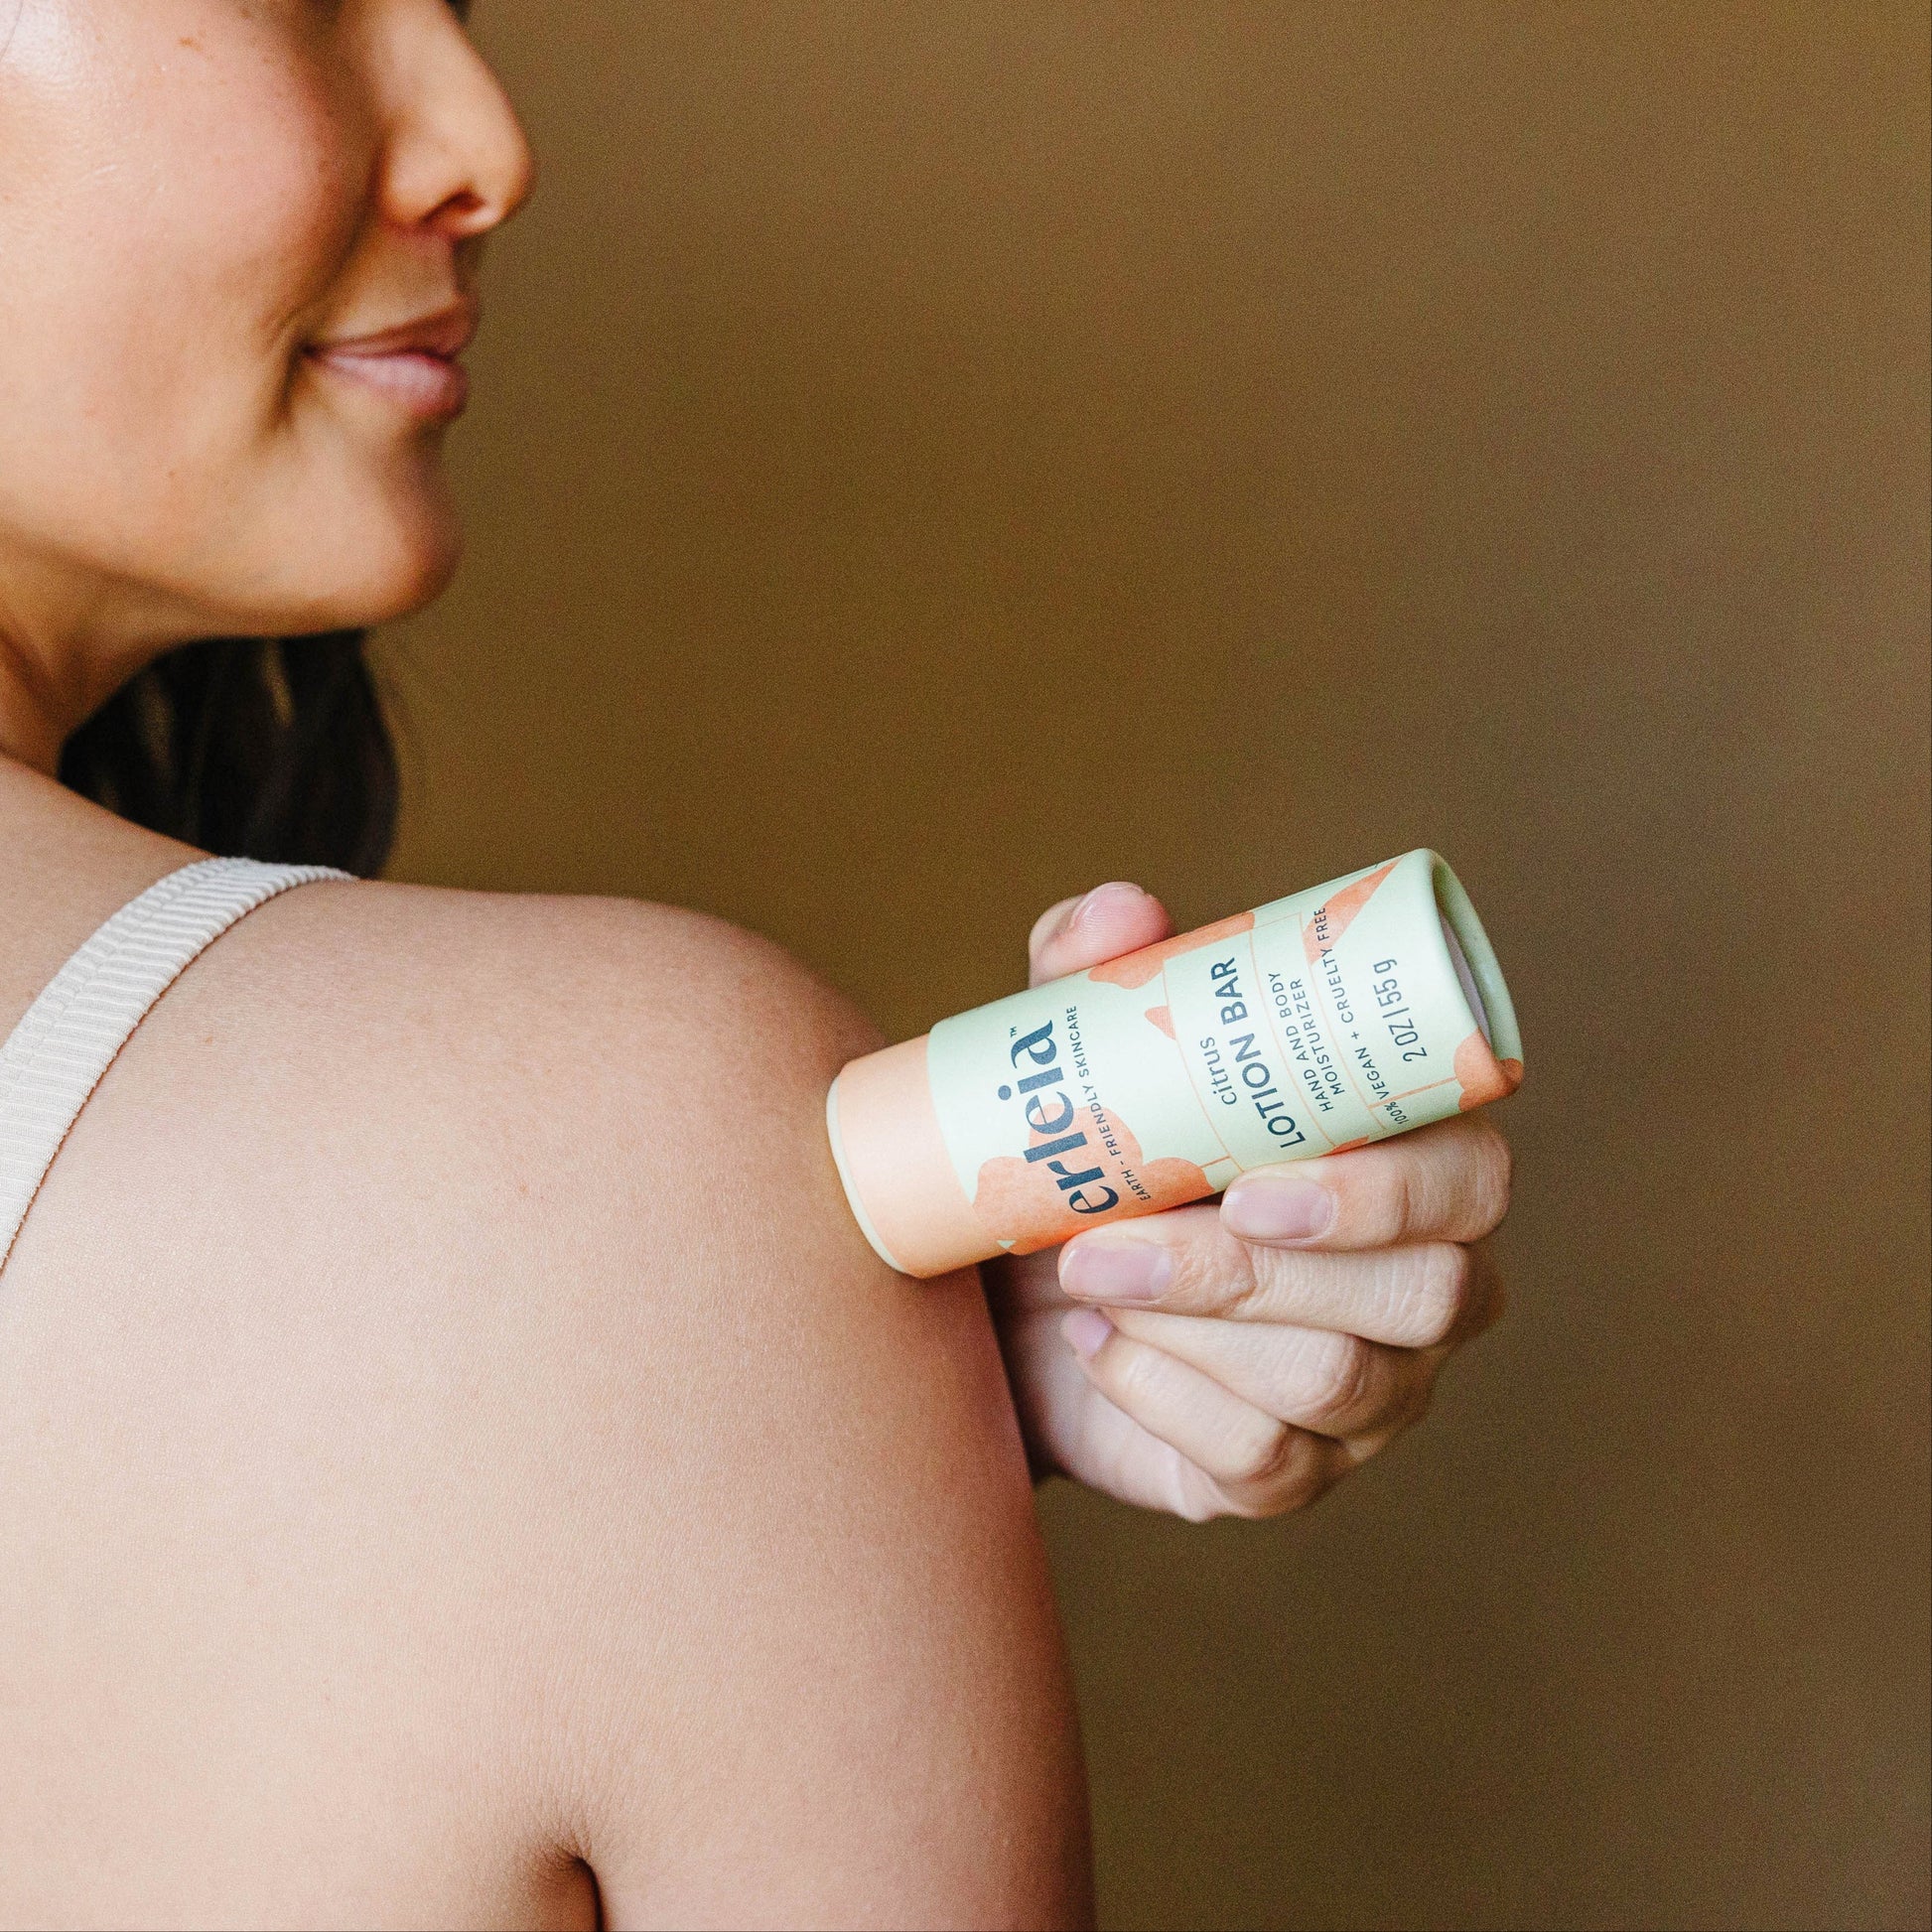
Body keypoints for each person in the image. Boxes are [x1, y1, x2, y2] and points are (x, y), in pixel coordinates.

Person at [0, 2, 1512, 1923]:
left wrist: (838, 1410)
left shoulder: (576, 1199)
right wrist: (701, 1293)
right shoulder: (605, 1148)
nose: (486, 141)